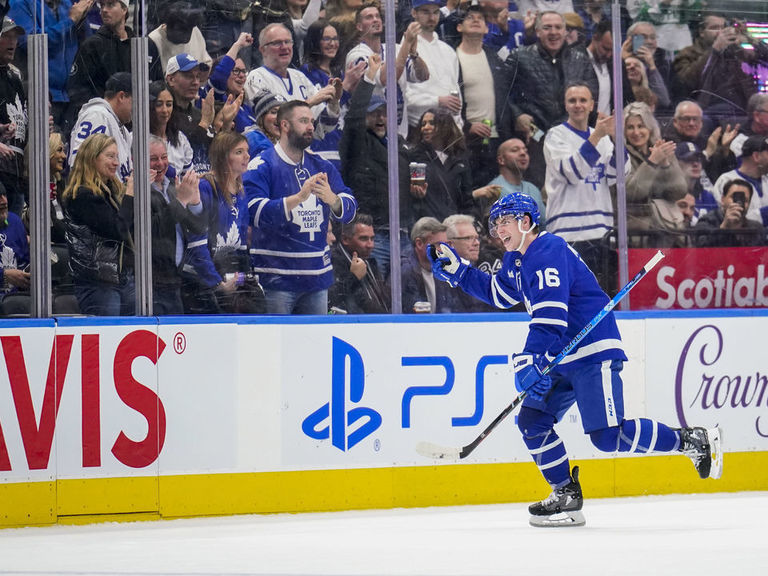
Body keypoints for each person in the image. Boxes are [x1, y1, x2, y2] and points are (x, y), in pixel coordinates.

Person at [426, 192, 722, 526]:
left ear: (525, 222)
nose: (499, 230)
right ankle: (565, 493)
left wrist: (529, 358)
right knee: (533, 422)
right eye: (496, 224)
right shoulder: (517, 260)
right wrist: (461, 273)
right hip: (560, 354)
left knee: (607, 437)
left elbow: (551, 317)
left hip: (591, 349)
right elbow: (501, 293)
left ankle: (692, 441)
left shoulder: (547, 251)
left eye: (505, 221)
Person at [243, 100, 357, 315]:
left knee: (314, 338)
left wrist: (333, 200)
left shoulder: (321, 165)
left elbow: (350, 207)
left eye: (312, 122)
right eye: (303, 121)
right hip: (276, 279)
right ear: (284, 125)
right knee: (277, 338)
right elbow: (253, 212)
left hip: (317, 279)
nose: (311, 127)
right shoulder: (262, 165)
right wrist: (298, 198)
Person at [543, 83, 630, 293]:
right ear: (565, 105)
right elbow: (571, 172)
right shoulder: (555, 136)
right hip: (567, 231)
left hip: (601, 230)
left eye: (583, 100)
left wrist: (617, 138)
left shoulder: (603, 138)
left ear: (592, 105)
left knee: (602, 296)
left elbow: (618, 175)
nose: (578, 105)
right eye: (572, 101)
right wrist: (597, 136)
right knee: (573, 297)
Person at [338, 54, 413, 278]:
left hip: (402, 234)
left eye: (384, 113)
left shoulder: (398, 144)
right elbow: (353, 118)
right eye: (374, 113)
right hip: (374, 235)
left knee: (403, 289)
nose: (380, 118)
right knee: (376, 286)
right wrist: (369, 79)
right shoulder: (358, 141)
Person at [182, 131, 264, 314]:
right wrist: (217, 284)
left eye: (247, 151)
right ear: (223, 157)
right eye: (239, 152)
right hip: (199, 284)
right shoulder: (205, 188)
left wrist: (244, 279)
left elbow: (241, 246)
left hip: (225, 280)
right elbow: (197, 245)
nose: (247, 156)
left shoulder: (240, 192)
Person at [61, 133, 135, 316]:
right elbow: (117, 230)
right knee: (108, 333)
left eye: (116, 157)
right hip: (97, 284)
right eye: (110, 156)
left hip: (121, 279)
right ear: (92, 158)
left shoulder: (111, 193)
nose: (116, 163)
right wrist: (130, 195)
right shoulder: (82, 196)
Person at [243, 23, 341, 141]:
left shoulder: (299, 77)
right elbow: (274, 122)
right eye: (277, 43)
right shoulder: (256, 78)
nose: (284, 47)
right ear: (263, 50)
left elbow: (323, 127)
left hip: (302, 149)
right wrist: (310, 102)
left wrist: (333, 103)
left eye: (288, 42)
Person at [9, 0, 94, 131]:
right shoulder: (20, 3)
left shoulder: (66, 4)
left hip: (71, 96)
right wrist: (71, 20)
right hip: (40, 95)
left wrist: (82, 17)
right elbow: (30, 42)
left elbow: (86, 45)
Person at [148, 135, 207, 315]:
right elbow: (156, 228)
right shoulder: (138, 192)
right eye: (153, 159)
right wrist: (181, 201)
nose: (160, 163)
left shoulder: (173, 189)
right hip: (150, 285)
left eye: (164, 157)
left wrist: (195, 201)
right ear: (137, 161)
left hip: (174, 281)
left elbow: (198, 228)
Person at [455, 4, 511, 187]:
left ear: (487, 28)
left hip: (495, 138)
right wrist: (468, 126)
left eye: (480, 18)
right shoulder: (453, 57)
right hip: (467, 140)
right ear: (459, 27)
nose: (476, 20)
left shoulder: (493, 57)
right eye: (470, 17)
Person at [623, 102, 688, 247]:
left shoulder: (662, 150)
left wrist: (665, 164)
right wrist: (652, 162)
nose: (636, 132)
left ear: (650, 127)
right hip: (636, 237)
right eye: (630, 127)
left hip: (667, 230)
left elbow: (679, 191)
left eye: (641, 126)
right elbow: (632, 193)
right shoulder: (620, 154)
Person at [408, 108, 480, 223]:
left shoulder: (460, 158)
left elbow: (467, 199)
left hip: (454, 225)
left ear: (445, 126)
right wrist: (417, 196)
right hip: (428, 225)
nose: (425, 127)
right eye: (423, 124)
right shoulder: (415, 156)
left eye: (432, 123)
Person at [403, 0, 463, 133]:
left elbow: (456, 92)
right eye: (425, 12)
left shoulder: (448, 51)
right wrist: (436, 101)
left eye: (435, 12)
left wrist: (459, 127)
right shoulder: (403, 48)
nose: (432, 17)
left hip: (450, 130)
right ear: (414, 13)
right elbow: (404, 96)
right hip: (419, 129)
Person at [67, 0, 133, 112]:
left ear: (124, 9)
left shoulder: (140, 45)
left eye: (111, 5)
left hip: (134, 117)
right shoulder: (92, 46)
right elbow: (78, 90)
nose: (104, 10)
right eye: (102, 5)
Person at [68, 71, 133, 183]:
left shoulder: (119, 126)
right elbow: (81, 164)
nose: (138, 108)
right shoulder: (97, 116)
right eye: (134, 101)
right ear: (121, 96)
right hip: (96, 192)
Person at [328, 212, 390, 314]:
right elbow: (330, 300)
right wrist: (354, 277)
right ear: (345, 239)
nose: (370, 245)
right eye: (363, 238)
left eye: (372, 238)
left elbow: (379, 304)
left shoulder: (370, 263)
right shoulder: (333, 261)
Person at [0, 16, 27, 216]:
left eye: (15, 37)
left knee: (13, 228)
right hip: (1, 168)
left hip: (16, 171)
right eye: (6, 36)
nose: (12, 42)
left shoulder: (14, 76)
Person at [203, 32, 255, 133]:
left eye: (243, 71)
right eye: (236, 71)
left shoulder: (246, 107)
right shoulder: (216, 98)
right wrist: (238, 45)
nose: (241, 75)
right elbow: (219, 76)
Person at [442, 213, 494, 312]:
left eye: (477, 238)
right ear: (449, 244)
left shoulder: (485, 267)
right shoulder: (441, 274)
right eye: (468, 238)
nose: (477, 243)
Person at [712, 135, 768, 227]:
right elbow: (726, 217)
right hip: (738, 235)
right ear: (756, 156)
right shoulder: (726, 180)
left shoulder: (766, 180)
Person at [148, 1, 212, 80]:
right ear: (169, 25)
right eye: (181, 29)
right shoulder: (154, 40)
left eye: (189, 29)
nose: (186, 36)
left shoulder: (195, 32)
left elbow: (206, 63)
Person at [400, 216, 452, 314]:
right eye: (438, 244)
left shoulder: (441, 268)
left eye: (446, 244)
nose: (444, 250)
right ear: (419, 244)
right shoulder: (406, 270)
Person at [486, 137, 545, 224]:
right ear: (501, 160)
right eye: (515, 150)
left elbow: (544, 223)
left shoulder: (533, 189)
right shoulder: (494, 189)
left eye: (525, 151)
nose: (523, 153)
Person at [694, 178, 767, 247]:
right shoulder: (707, 221)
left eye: (744, 200)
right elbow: (701, 248)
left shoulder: (756, 228)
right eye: (734, 197)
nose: (738, 203)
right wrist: (724, 227)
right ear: (722, 199)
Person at [149, 80, 193, 175]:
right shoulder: (136, 138)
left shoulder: (180, 139)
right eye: (159, 104)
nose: (165, 110)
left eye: (169, 104)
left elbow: (188, 175)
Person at [0, 183, 30, 312]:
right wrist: (3, 275)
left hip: (17, 300)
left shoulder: (15, 221)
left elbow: (24, 261)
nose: (4, 201)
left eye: (4, 195)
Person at [675, 141, 718, 223]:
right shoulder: (669, 195)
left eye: (698, 159)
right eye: (689, 160)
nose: (695, 164)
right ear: (676, 163)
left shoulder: (707, 197)